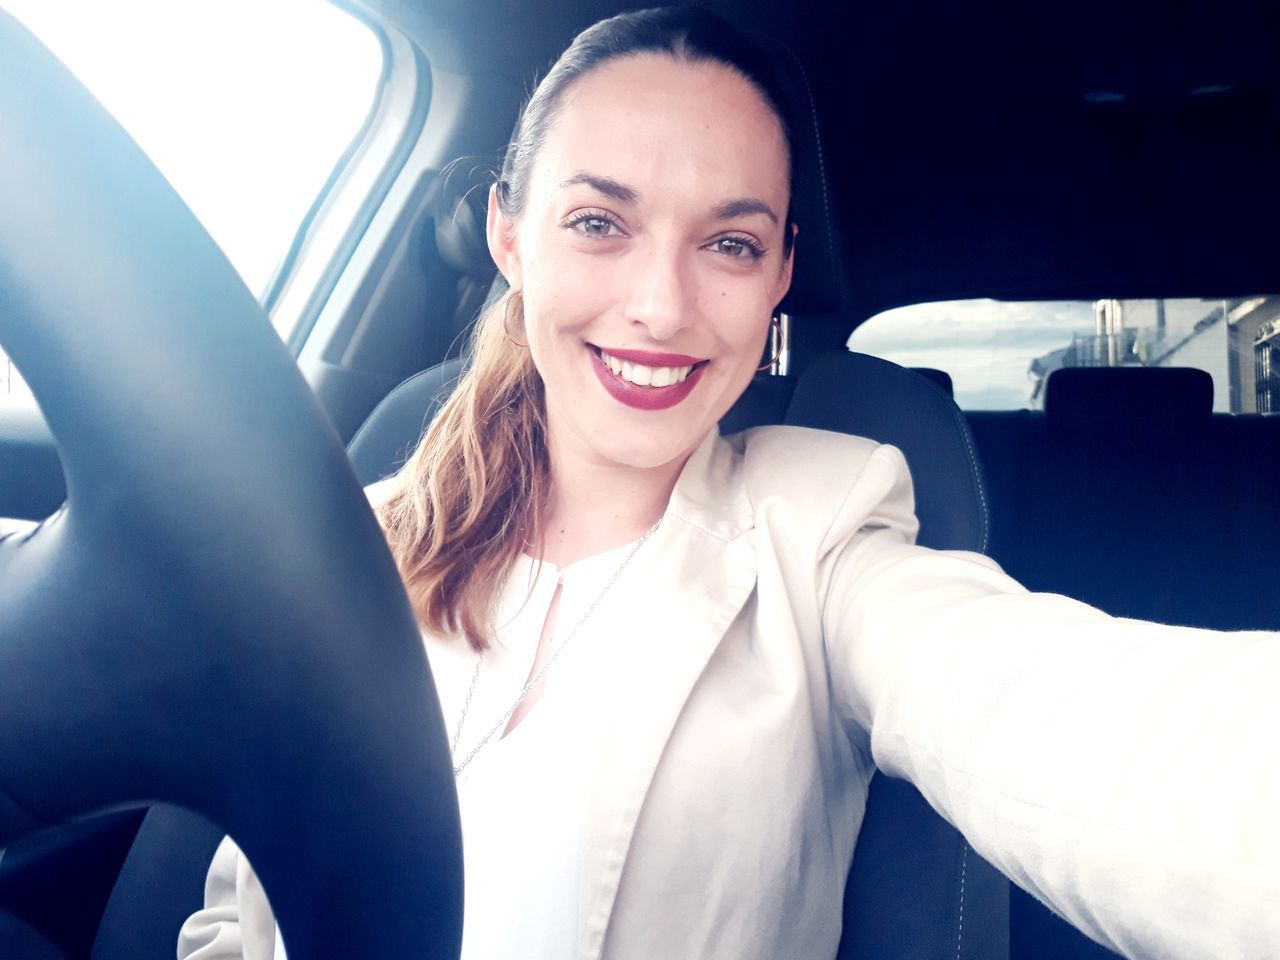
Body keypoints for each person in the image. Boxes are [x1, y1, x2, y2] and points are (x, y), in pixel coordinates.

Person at [178, 7, 1280, 960]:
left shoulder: (825, 526)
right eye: (599, 223)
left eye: (730, 245)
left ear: (781, 274)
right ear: (510, 235)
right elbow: (233, 921)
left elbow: (1045, 708)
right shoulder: (357, 546)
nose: (659, 306)